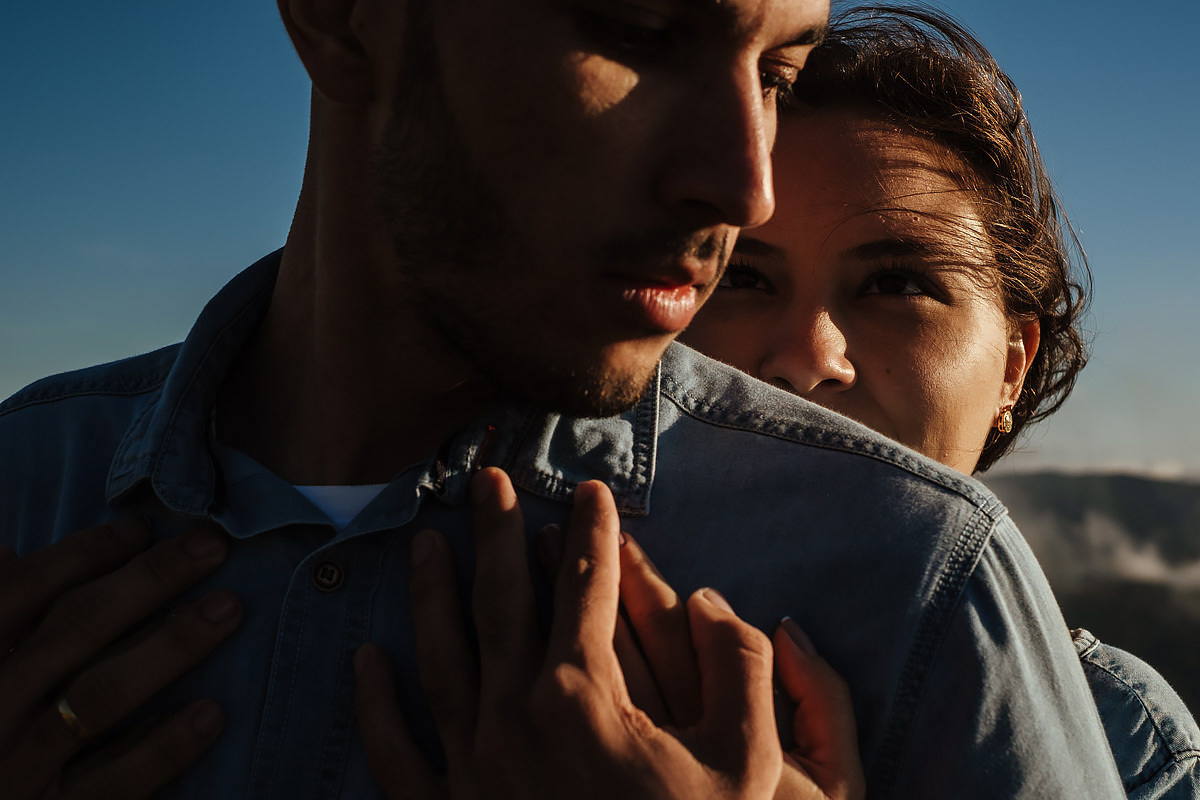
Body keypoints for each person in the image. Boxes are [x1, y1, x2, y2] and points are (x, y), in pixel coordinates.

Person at [0, 0, 1128, 797]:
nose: (745, 183)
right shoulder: (27, 487)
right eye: (639, 32)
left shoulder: (916, 580)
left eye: (777, 75)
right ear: (344, 15)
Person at [676, 5, 1200, 796]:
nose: (807, 361)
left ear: (1012, 370)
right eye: (744, 279)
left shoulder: (1124, 743)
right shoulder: (494, 619)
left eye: (898, 285)